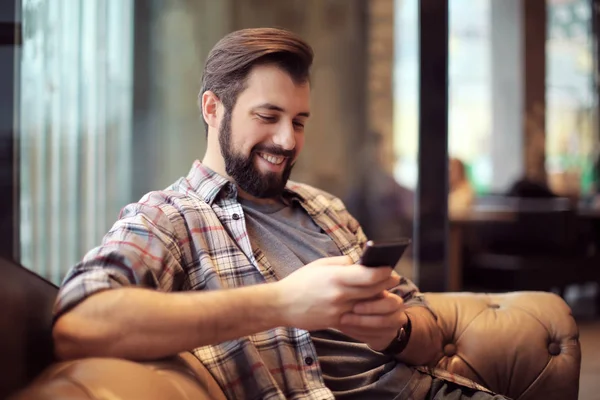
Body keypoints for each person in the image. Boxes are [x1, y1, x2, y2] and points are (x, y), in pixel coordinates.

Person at [52, 28, 508, 400]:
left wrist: (396, 331)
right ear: (213, 109)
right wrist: (284, 302)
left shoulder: (325, 208)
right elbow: (80, 321)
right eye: (268, 117)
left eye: (300, 121)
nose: (288, 141)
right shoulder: (167, 218)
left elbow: (424, 326)